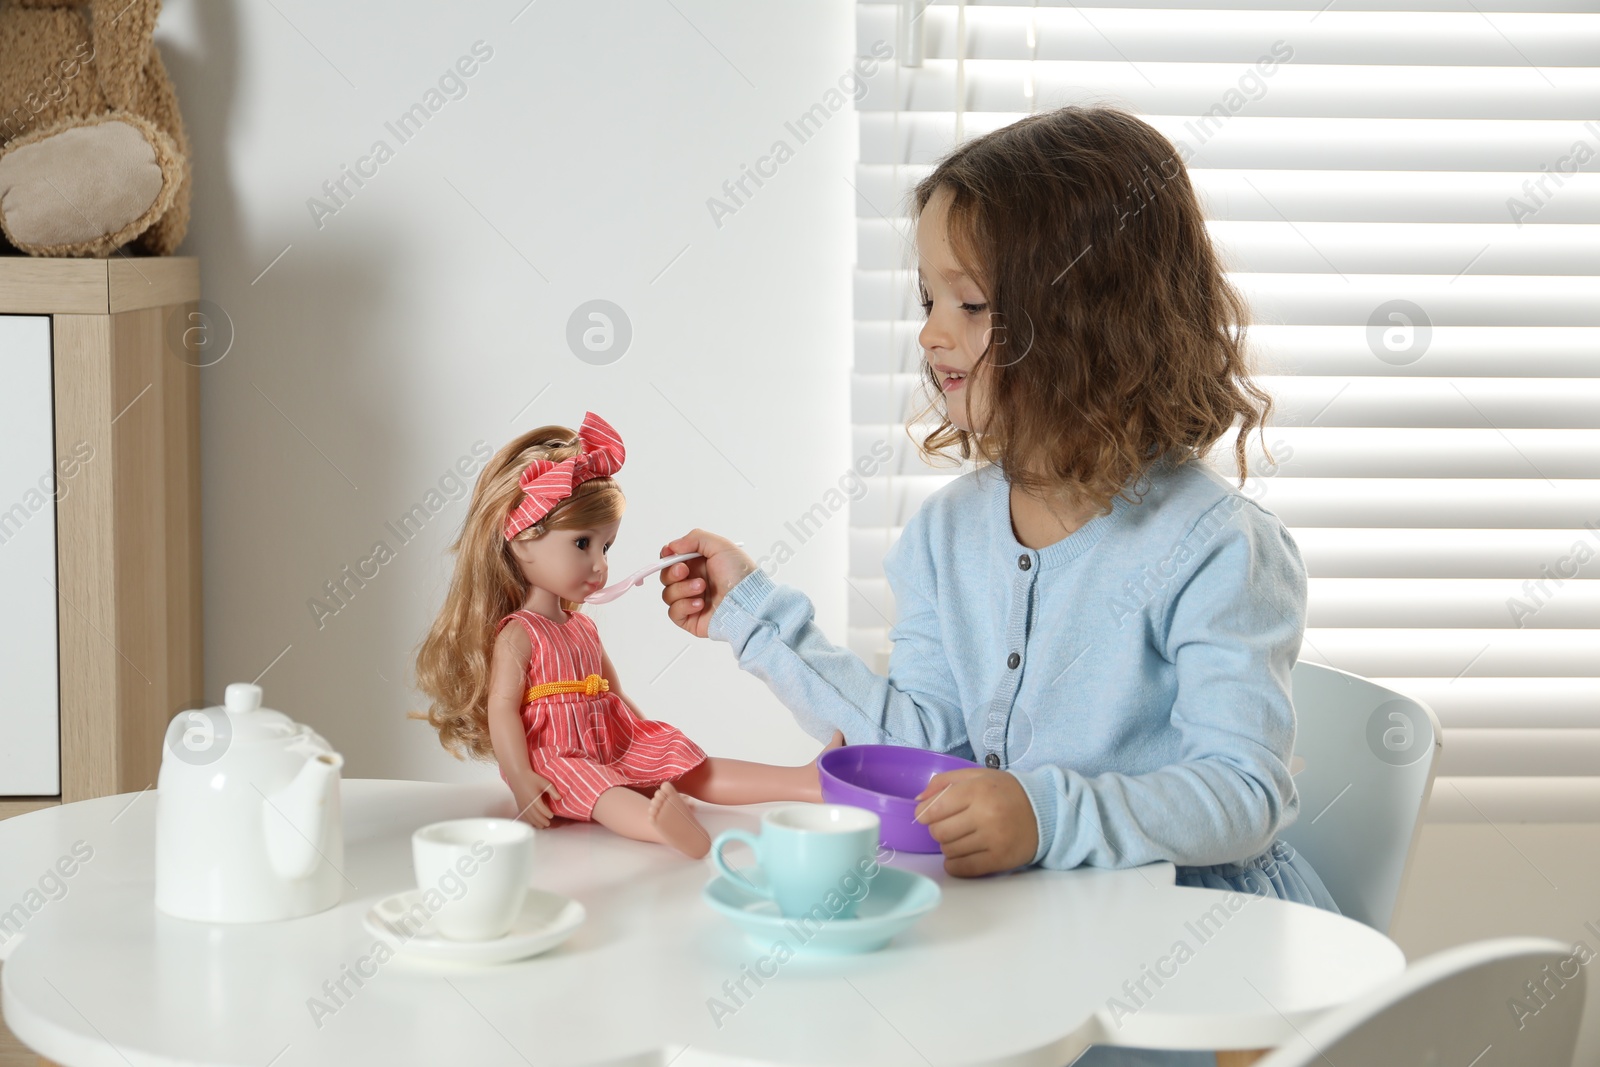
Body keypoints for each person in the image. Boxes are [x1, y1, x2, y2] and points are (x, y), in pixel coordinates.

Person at [657, 105, 1337, 1067]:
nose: (932, 334)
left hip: (1198, 957)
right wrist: (754, 616)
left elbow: (1243, 791)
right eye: (926, 298)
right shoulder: (946, 535)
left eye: (967, 304)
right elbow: (927, 748)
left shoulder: (1216, 548)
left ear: (1090, 322)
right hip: (1043, 928)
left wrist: (1043, 813)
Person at [412, 411, 839, 860]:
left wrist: (646, 737)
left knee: (686, 761)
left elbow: (612, 691)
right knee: (597, 789)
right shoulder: (519, 634)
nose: (600, 564)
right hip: (557, 756)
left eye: (606, 546)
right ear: (521, 540)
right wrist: (520, 776)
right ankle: (659, 826)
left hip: (610, 736)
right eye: (582, 544)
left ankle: (802, 783)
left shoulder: (581, 627)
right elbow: (502, 710)